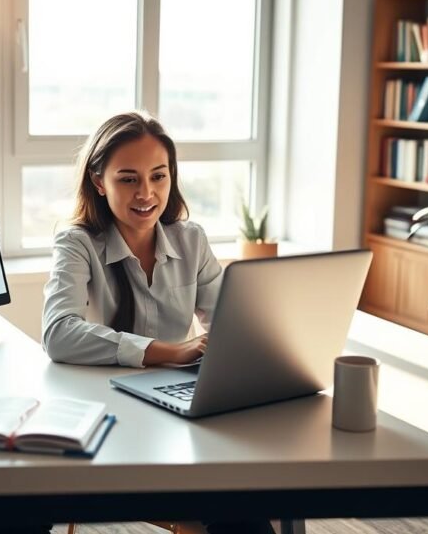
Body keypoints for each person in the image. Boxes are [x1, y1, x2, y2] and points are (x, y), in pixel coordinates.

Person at [42, 111, 275, 534]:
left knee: (246, 500)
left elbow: (231, 321)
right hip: (103, 412)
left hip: (177, 409)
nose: (146, 193)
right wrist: (169, 351)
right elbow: (58, 333)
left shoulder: (191, 240)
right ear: (99, 182)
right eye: (128, 178)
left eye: (159, 176)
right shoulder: (77, 243)